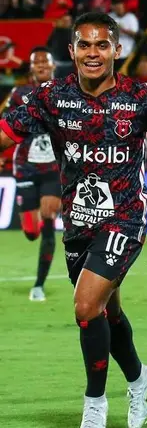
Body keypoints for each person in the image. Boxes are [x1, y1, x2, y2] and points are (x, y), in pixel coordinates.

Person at [0, 12, 147, 428]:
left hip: (126, 218)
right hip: (79, 223)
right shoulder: (53, 96)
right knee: (108, 313)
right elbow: (5, 133)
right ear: (71, 51)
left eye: (101, 44)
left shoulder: (140, 96)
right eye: (84, 45)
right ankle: (139, 378)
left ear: (116, 50)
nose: (93, 53)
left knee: (86, 306)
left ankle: (95, 405)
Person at [1, 47, 62, 301]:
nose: (41, 66)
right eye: (36, 62)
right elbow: (6, 124)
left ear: (53, 66)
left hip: (54, 168)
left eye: (45, 62)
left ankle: (38, 285)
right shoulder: (19, 94)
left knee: (48, 218)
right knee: (30, 232)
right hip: (26, 166)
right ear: (31, 68)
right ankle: (35, 229)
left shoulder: (65, 93)